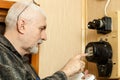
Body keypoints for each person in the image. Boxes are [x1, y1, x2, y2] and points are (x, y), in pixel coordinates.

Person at [0, 0, 86, 80]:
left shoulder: (22, 60)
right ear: (22, 26)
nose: (45, 37)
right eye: (41, 29)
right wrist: (66, 72)